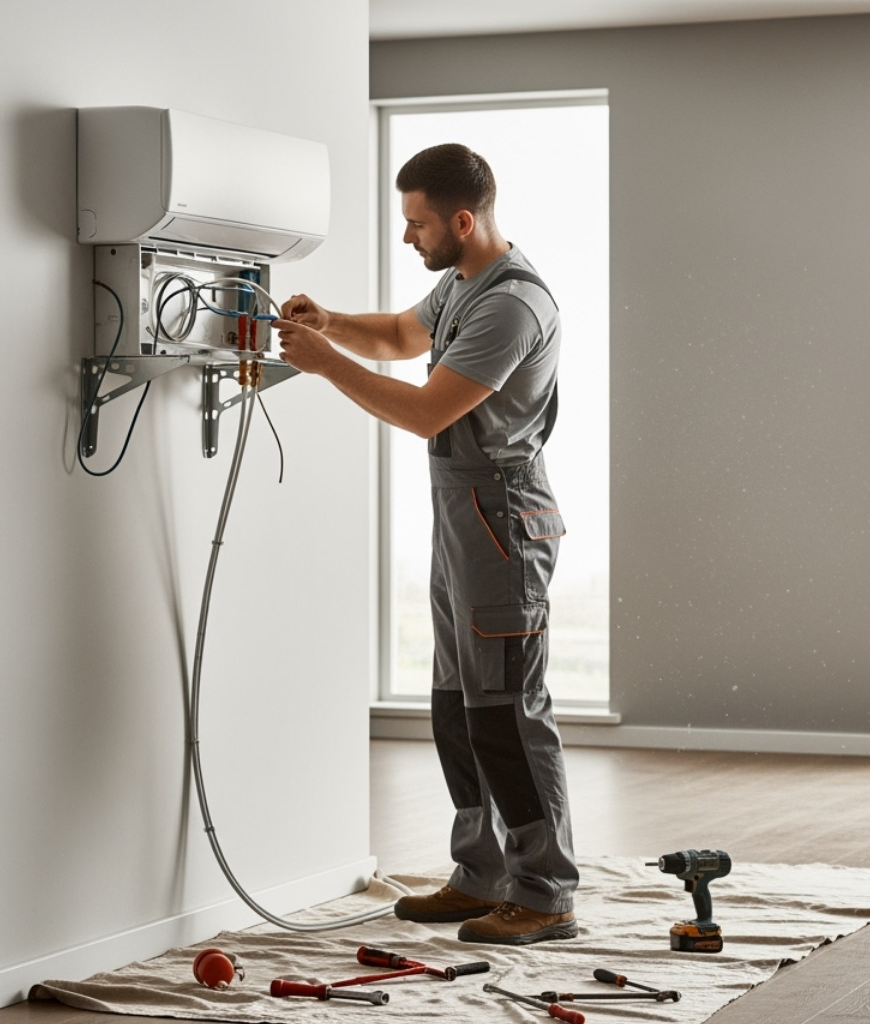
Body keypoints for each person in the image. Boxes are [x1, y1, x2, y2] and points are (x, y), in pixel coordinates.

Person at [273, 143, 578, 945]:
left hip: (502, 519)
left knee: (507, 711)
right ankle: (482, 874)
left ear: (463, 221)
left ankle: (545, 892)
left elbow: (425, 411)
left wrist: (323, 365)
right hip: (461, 517)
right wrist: (331, 324)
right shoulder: (462, 283)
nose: (408, 237)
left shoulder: (513, 304)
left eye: (418, 224)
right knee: (457, 704)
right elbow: (403, 337)